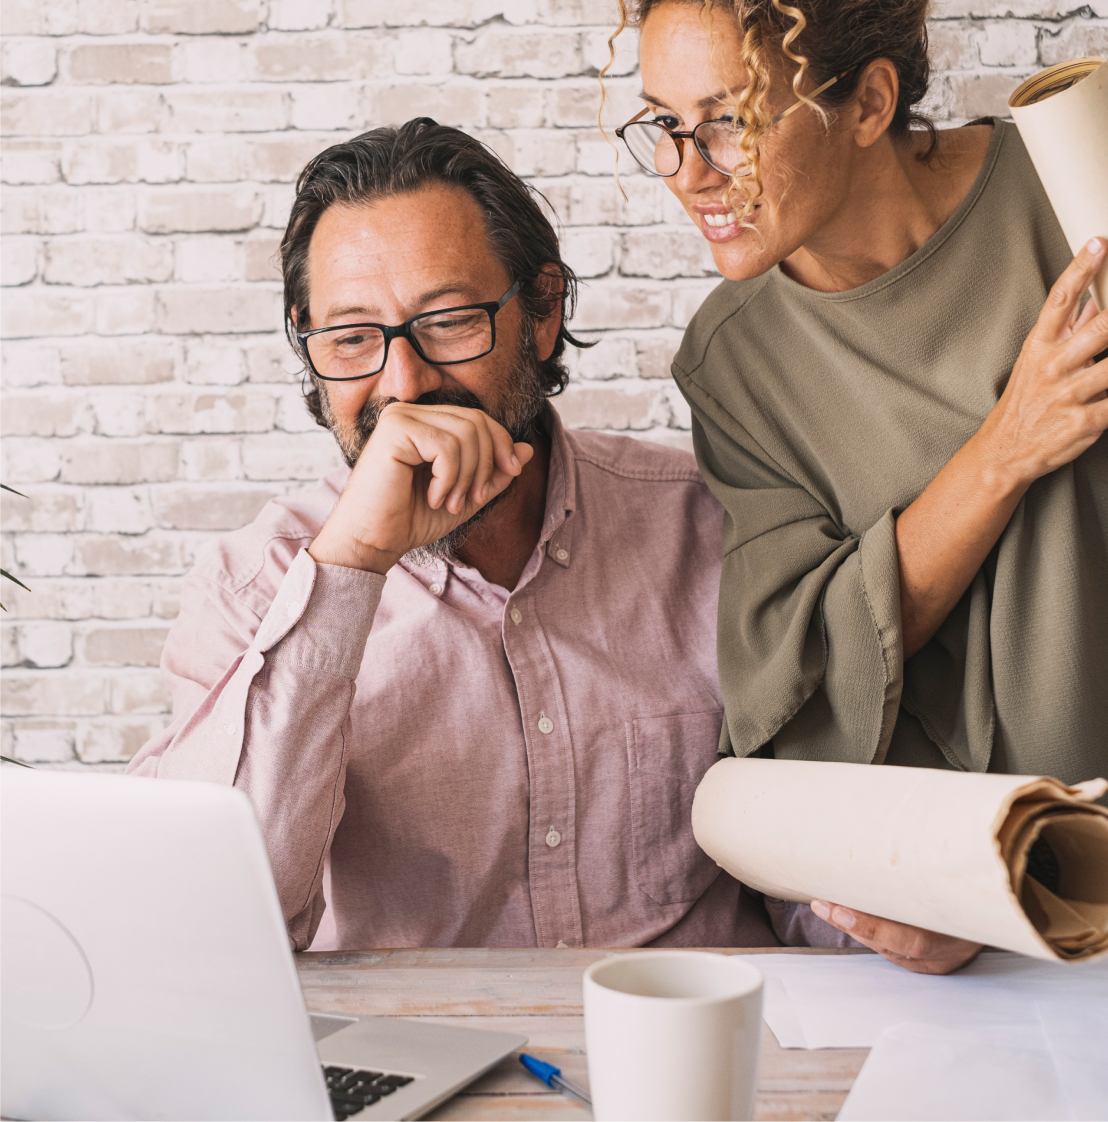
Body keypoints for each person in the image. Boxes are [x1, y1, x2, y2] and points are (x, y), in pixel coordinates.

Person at [128, 119, 978, 974]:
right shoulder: (250, 592)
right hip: (424, 1080)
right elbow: (220, 923)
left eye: (450, 321)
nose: (404, 383)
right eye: (351, 340)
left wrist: (907, 909)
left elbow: (799, 862)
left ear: (542, 313)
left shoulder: (713, 526)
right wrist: (352, 564)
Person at [609, 1, 1108, 807]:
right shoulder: (733, 364)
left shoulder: (1075, 187)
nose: (688, 171)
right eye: (665, 122)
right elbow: (805, 670)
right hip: (983, 861)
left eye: (730, 120)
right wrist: (1005, 449)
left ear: (870, 105)